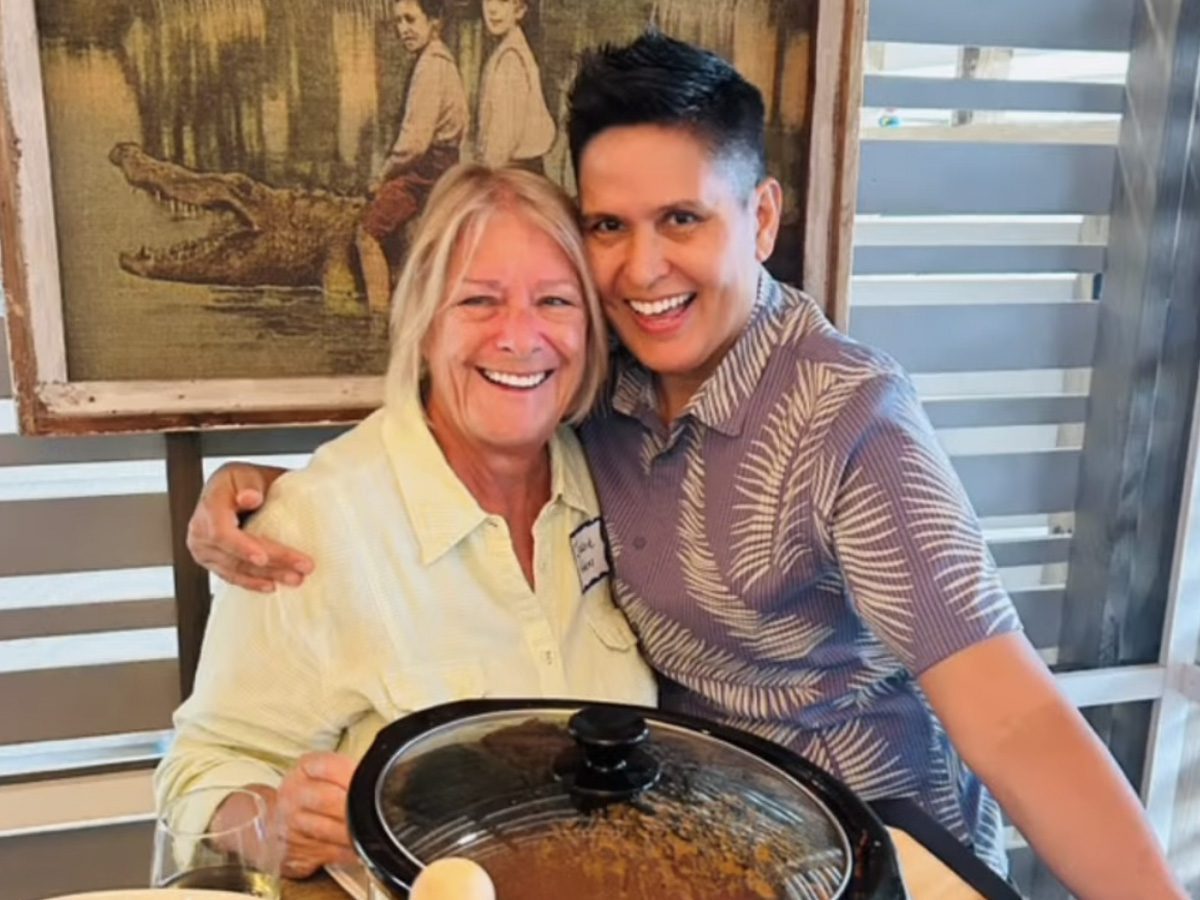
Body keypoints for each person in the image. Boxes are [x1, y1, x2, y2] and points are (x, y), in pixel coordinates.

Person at [188, 33, 1185, 898]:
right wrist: (280, 495)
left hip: (874, 853)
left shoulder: (850, 421)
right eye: (609, 228)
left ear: (761, 219)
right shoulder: (603, 392)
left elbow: (1013, 719)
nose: (643, 270)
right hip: (692, 858)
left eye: (682, 220)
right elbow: (468, 421)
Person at [158, 163, 657, 880]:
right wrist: (279, 826)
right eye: (479, 301)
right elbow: (200, 767)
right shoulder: (318, 523)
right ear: (423, 322)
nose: (520, 337)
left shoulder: (611, 471)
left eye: (554, 300)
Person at [357, 0, 468, 310]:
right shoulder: (442, 60)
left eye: (410, 20)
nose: (403, 29)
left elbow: (414, 143)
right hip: (444, 165)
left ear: (434, 22)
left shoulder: (430, 66)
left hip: (425, 171)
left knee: (367, 233)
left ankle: (378, 315)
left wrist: (382, 176)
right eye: (398, 22)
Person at [475, 0, 555, 171]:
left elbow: (503, 141)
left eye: (503, 1)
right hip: (514, 168)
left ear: (520, 10)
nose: (492, 9)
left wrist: (486, 176)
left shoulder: (511, 58)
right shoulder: (507, 49)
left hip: (515, 171)